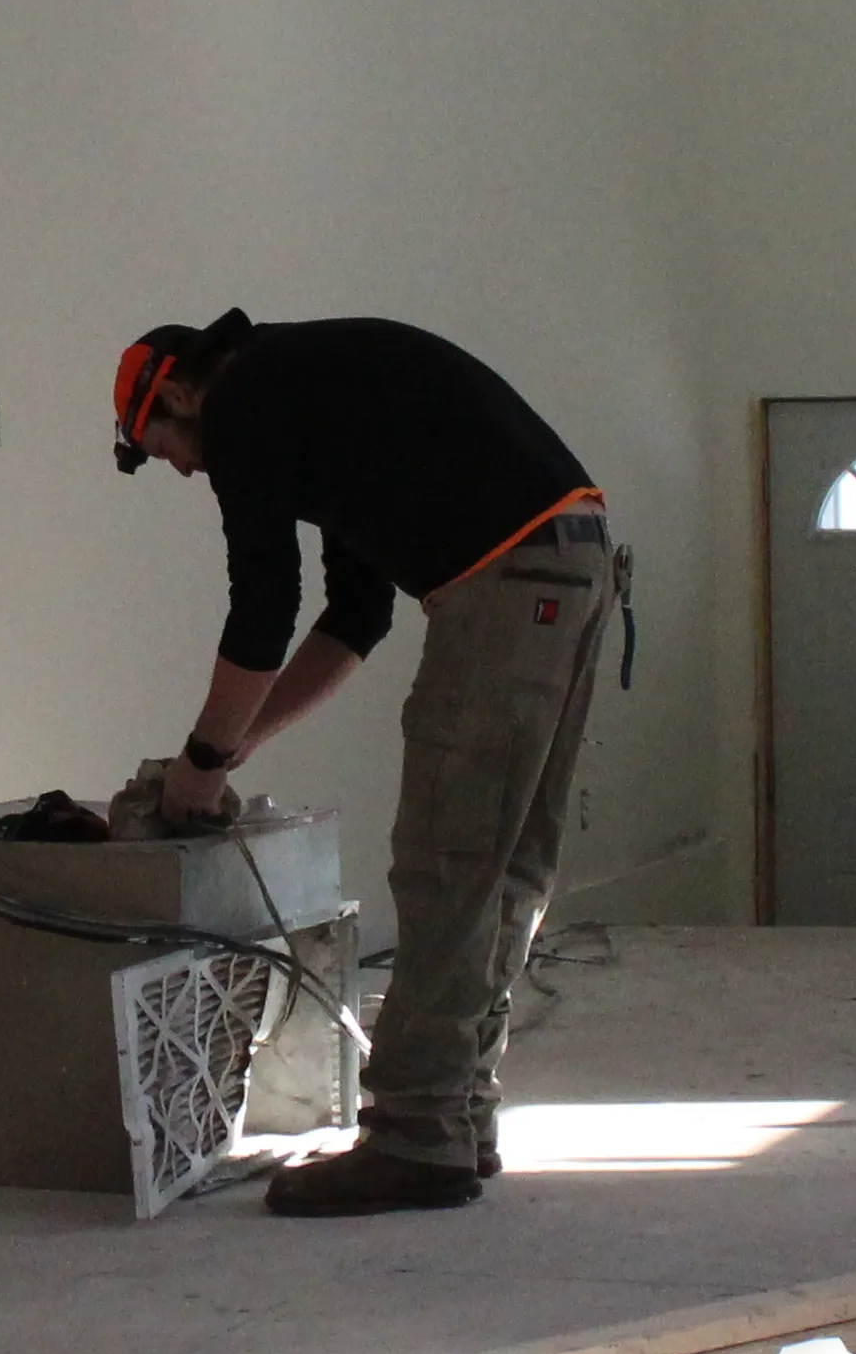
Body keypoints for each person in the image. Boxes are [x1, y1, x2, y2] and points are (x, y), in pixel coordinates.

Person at [109, 311, 617, 1214]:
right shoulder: (318, 397)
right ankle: (460, 1115)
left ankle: (418, 1137)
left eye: (165, 448)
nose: (185, 469)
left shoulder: (244, 403)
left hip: (503, 579)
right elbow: (355, 618)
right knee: (504, 866)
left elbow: (263, 607)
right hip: (571, 562)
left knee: (447, 861)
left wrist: (201, 759)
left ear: (182, 392)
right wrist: (236, 751)